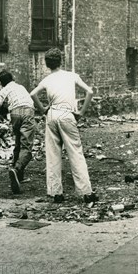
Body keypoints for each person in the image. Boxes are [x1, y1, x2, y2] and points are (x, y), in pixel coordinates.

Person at [30, 48, 98, 204]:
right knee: (75, 152)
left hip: (52, 115)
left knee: (53, 154)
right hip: (67, 114)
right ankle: (86, 192)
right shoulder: (71, 76)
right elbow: (89, 91)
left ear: (47, 64)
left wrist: (43, 110)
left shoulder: (47, 80)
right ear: (61, 61)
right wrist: (81, 112)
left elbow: (33, 94)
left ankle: (56, 193)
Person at [0, 70, 36, 194]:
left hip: (15, 113)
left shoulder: (5, 89)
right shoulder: (20, 87)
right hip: (28, 111)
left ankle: (19, 176)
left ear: (2, 83)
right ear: (12, 79)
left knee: (18, 142)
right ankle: (17, 170)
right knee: (27, 147)